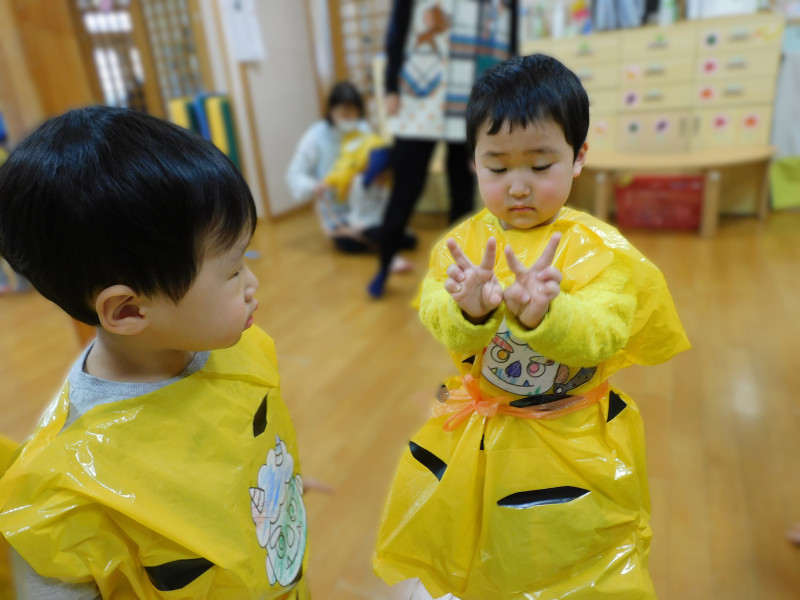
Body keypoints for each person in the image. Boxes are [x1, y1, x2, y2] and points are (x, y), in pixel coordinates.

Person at [373, 54, 691, 599]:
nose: (518, 186)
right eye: (498, 168)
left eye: (540, 166)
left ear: (578, 157)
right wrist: (470, 311)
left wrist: (547, 315)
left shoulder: (602, 251)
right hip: (483, 429)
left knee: (568, 545)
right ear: (473, 163)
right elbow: (437, 313)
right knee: (481, 540)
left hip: (574, 434)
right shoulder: (465, 246)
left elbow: (605, 332)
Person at [0, 107, 310, 599]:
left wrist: (275, 483)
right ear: (127, 310)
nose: (252, 285)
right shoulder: (70, 487)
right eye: (232, 271)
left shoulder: (231, 347)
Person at [367, 0, 518, 298]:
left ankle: (458, 274)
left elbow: (510, 43)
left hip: (474, 94)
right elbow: (398, 32)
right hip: (421, 92)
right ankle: (384, 265)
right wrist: (391, 87)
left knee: (463, 192)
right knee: (405, 190)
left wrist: (508, 96)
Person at [286, 81, 416, 264]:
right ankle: (376, 240)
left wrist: (380, 173)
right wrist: (315, 186)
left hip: (367, 204)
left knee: (408, 240)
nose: (349, 118)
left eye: (353, 112)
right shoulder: (315, 136)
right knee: (350, 243)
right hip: (337, 212)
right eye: (343, 112)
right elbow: (294, 174)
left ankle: (378, 237)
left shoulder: (362, 129)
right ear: (331, 111)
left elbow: (375, 159)